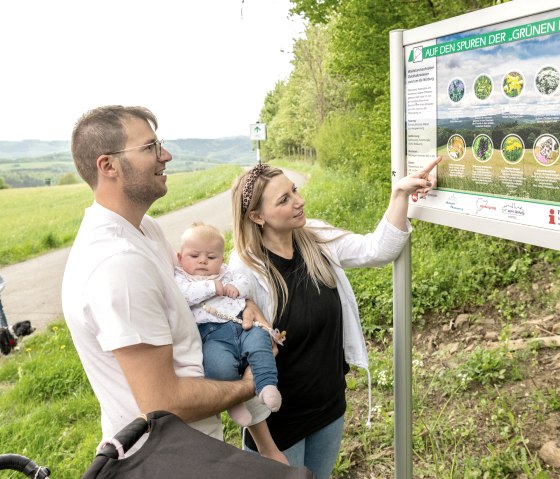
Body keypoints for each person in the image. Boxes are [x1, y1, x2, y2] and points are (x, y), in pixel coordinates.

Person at [61, 106, 277, 458]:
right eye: (150, 148)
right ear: (108, 166)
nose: (166, 155)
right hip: (169, 457)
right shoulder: (118, 264)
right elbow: (162, 403)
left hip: (192, 445)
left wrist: (242, 304)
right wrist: (249, 384)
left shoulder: (146, 229)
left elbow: (189, 296)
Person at [228, 158, 441, 478]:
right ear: (257, 216)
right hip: (279, 424)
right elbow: (243, 365)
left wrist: (399, 195)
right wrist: (267, 448)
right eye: (284, 200)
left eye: (294, 190)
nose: (299, 201)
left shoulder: (316, 239)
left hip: (329, 409)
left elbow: (376, 249)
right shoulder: (245, 272)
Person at [174, 222, 287, 463]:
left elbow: (246, 282)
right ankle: (235, 404)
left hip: (240, 324)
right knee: (218, 365)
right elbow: (184, 295)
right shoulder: (180, 278)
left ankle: (268, 385)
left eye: (211, 256)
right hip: (212, 334)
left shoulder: (226, 272)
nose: (203, 261)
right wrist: (211, 286)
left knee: (261, 344)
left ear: (221, 258)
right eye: (194, 256)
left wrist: (235, 287)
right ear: (180, 257)